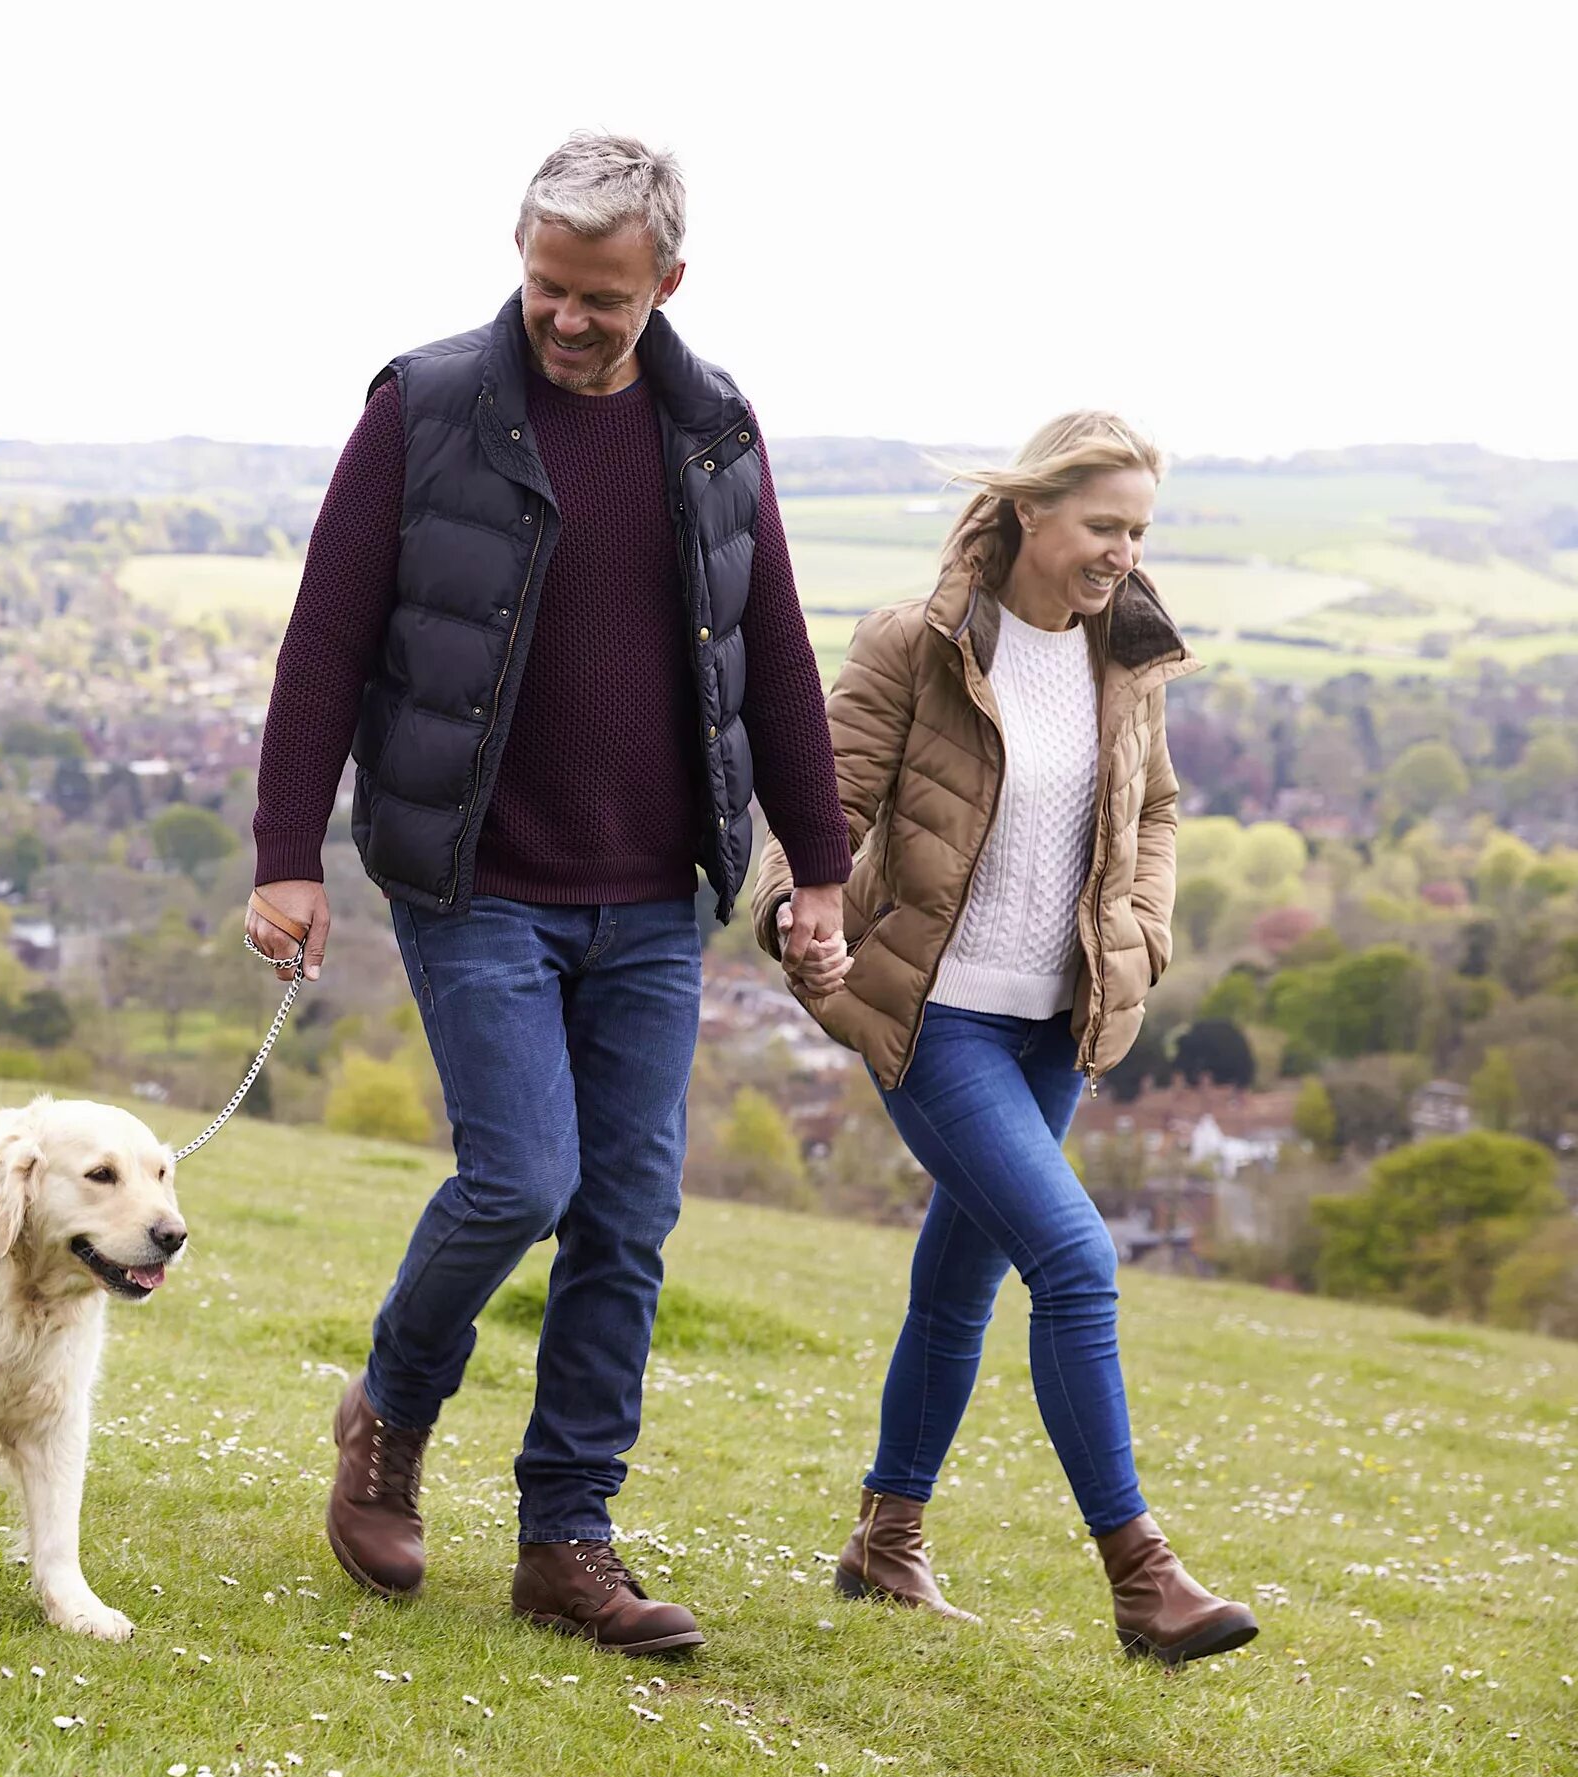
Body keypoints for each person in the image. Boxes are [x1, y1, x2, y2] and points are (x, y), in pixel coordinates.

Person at [246, 131, 854, 1656]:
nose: (568, 320)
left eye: (602, 297)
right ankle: (388, 1413)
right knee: (523, 1179)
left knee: (629, 1214)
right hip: (478, 877)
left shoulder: (713, 427)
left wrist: (822, 871)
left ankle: (567, 1540)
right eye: (545, 288)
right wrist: (284, 855)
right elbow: (327, 638)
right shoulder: (429, 404)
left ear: (668, 280)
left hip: (654, 891)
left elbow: (770, 653)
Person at [746, 411, 1259, 1666]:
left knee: (959, 1282)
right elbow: (826, 801)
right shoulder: (914, 645)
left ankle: (885, 1537)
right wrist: (786, 908)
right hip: (935, 1017)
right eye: (1102, 526)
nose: (1122, 555)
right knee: (1077, 1261)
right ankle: (1143, 1576)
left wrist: (1141, 931)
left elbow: (1157, 810)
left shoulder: (1122, 658)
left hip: (1054, 1026)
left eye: (1137, 531)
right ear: (1032, 512)